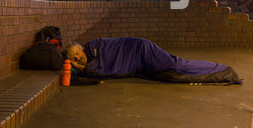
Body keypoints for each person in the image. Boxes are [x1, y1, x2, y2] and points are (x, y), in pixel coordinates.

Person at [64, 37, 242, 84]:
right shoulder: (88, 66)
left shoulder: (96, 46)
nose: (78, 57)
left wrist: (77, 65)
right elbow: (94, 71)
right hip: (139, 62)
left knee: (176, 65)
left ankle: (221, 70)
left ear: (82, 48)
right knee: (170, 72)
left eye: (77, 52)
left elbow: (95, 69)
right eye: (73, 58)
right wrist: (76, 65)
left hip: (142, 50)